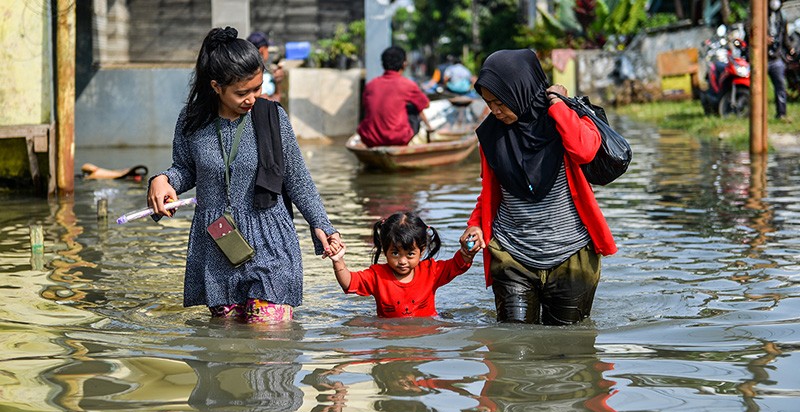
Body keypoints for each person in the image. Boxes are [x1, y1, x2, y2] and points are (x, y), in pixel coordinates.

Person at [147, 26, 341, 323]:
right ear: (216, 87)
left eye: (257, 88)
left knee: (267, 345)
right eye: (242, 92)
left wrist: (321, 225)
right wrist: (163, 181)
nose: (252, 98)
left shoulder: (272, 117)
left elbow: (297, 178)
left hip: (270, 238)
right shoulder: (193, 120)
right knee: (227, 348)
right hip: (217, 244)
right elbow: (186, 169)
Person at [460, 49, 617, 325]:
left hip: (572, 256)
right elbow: (490, 191)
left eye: (500, 102)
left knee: (567, 352)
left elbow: (584, 151)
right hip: (512, 256)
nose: (494, 110)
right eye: (489, 103)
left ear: (520, 91)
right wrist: (474, 224)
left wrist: (558, 104)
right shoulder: (491, 135)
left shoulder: (565, 119)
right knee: (513, 347)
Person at [329, 211, 479, 318]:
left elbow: (456, 265)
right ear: (384, 250)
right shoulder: (377, 276)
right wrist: (338, 260)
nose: (402, 261)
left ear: (422, 250)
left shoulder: (431, 272)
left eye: (410, 254)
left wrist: (467, 252)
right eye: (395, 253)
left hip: (424, 342)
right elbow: (349, 283)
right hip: (390, 340)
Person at [357, 46, 432, 148]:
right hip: (397, 138)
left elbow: (365, 107)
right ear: (404, 64)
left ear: (383, 64)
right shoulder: (407, 85)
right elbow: (426, 104)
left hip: (370, 138)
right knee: (413, 109)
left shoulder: (370, 85)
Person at [767, 0, 794, 120]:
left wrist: (790, 49)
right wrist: (763, 39)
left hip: (776, 57)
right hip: (761, 57)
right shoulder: (759, 14)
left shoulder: (781, 16)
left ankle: (781, 114)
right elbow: (749, 30)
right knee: (757, 89)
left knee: (780, 87)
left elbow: (784, 36)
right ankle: (754, 114)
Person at [246, 31, 285, 102]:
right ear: (262, 50)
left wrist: (278, 82)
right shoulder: (256, 75)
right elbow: (274, 101)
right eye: (267, 48)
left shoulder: (258, 71)